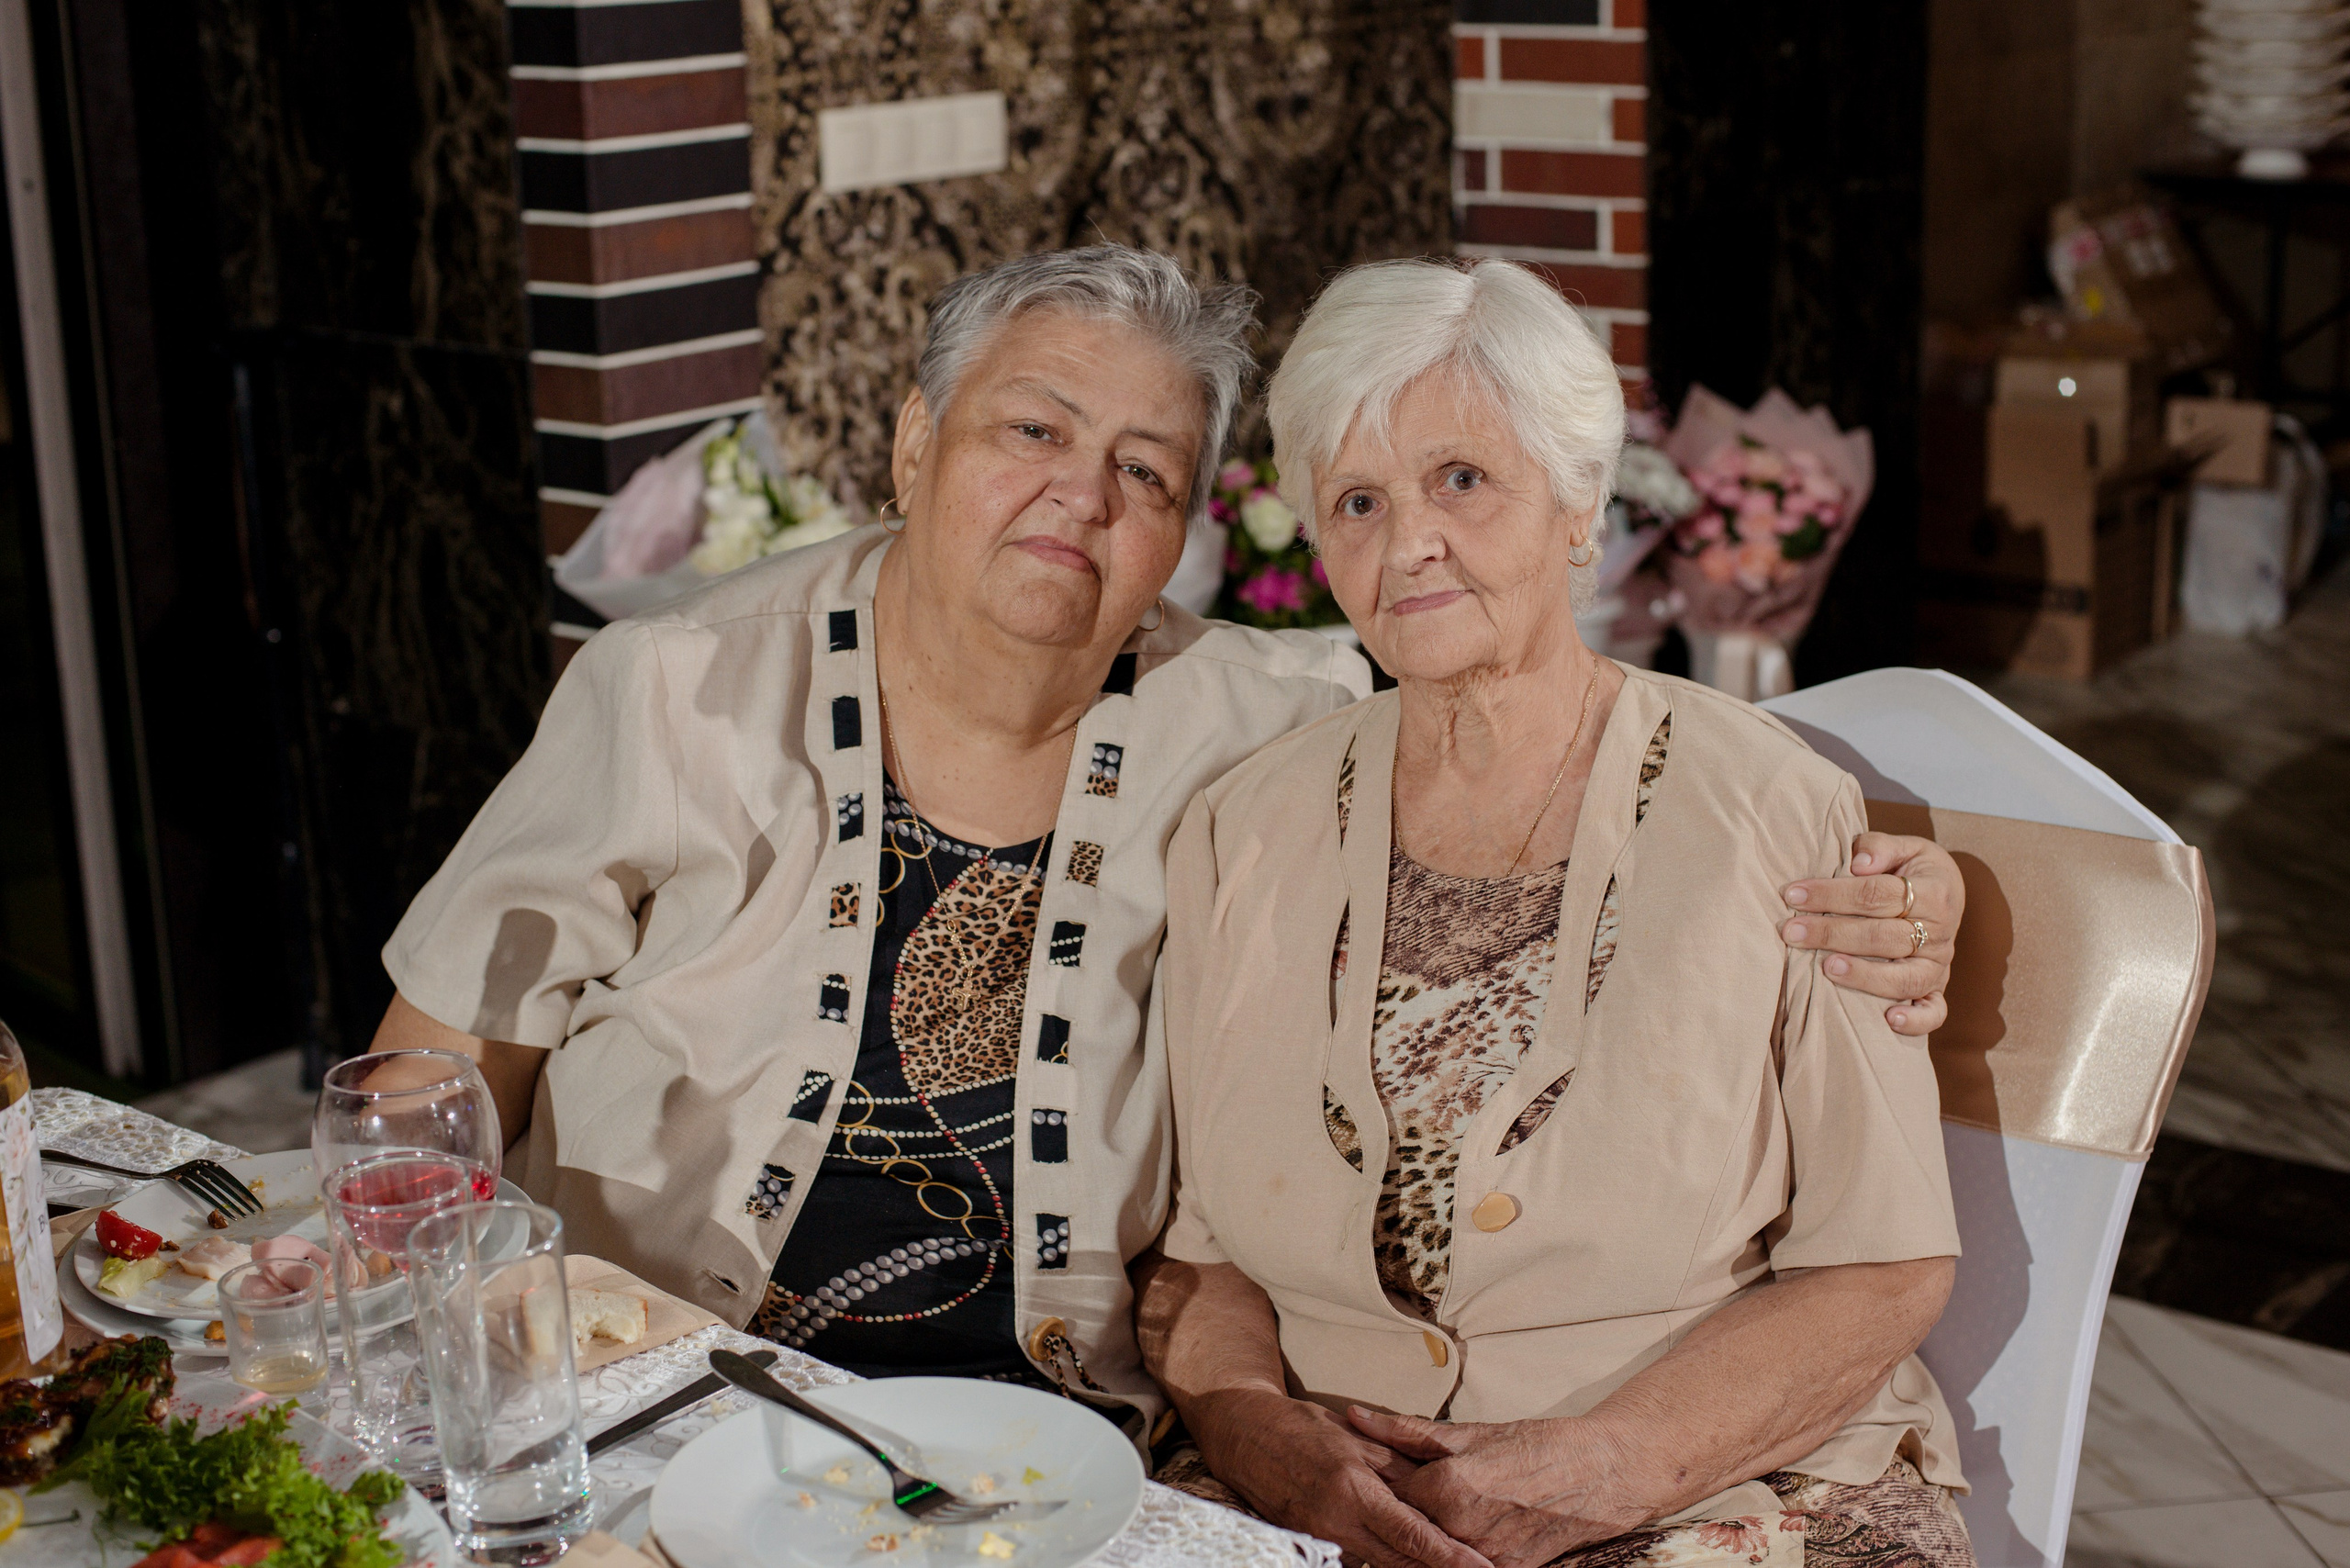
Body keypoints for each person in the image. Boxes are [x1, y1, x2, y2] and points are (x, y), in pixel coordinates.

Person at [368, 244, 1964, 1439]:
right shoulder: (673, 692)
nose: (1081, 496)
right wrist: (437, 1358)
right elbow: (417, 1094)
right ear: (916, 446)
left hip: (1058, 1441)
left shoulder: (1261, 720)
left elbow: (1526, 736)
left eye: (1145, 471)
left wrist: (1915, 887)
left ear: (1186, 534)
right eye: (1031, 431)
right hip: (671, 1395)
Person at [1138, 256, 1975, 1568]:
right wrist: (1253, 1430)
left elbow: (1885, 1264)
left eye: (1462, 479)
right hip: (1329, 1494)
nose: (1408, 541)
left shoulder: (1776, 811)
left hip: (1716, 1482)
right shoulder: (1240, 828)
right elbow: (1200, 1255)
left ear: (1580, 502)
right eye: (1358, 501)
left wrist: (1614, 1465)